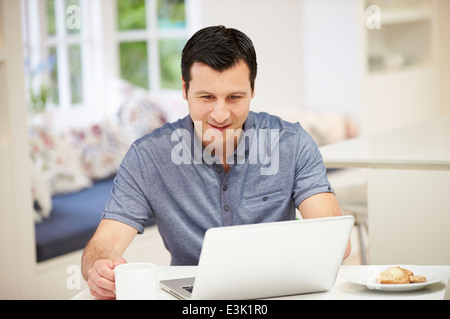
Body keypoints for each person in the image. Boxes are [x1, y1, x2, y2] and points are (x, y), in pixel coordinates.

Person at [81, 25, 351, 300]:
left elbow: (335, 243)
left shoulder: (292, 144)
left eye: (234, 97)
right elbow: (103, 245)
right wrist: (99, 267)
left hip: (279, 294)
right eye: (207, 97)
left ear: (253, 89)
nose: (220, 114)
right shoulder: (148, 157)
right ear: (185, 90)